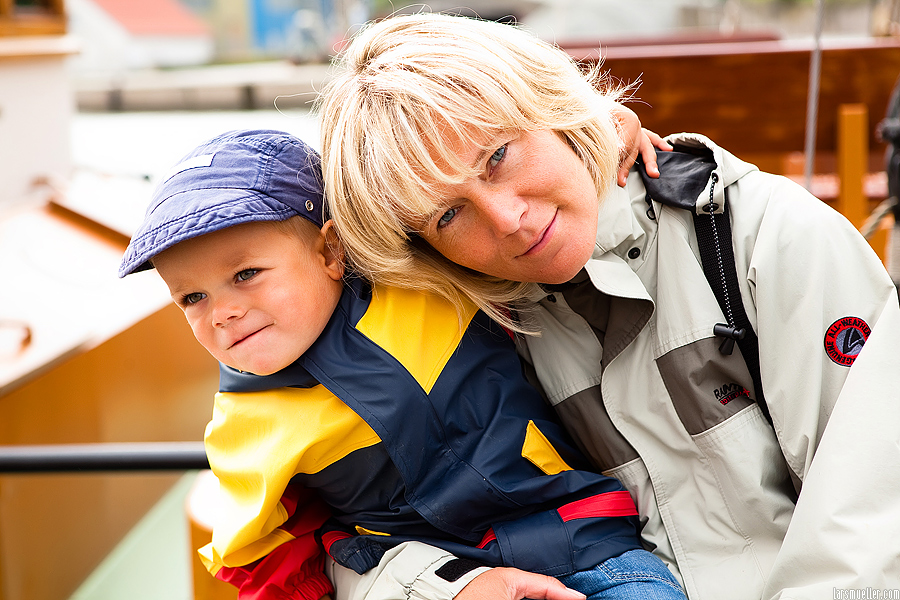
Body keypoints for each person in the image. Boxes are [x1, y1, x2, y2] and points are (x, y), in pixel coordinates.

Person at [315, 12, 900, 600]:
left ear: (551, 106)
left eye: (498, 157)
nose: (507, 218)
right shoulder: (464, 331)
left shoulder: (768, 239)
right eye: (448, 214)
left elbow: (871, 521)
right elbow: (353, 536)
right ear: (426, 252)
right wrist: (456, 588)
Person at [117, 129, 689, 600]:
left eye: (245, 275)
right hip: (438, 582)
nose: (223, 313)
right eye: (192, 298)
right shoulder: (244, 426)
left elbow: (469, 198)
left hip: (584, 544)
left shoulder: (419, 277)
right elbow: (265, 560)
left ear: (331, 250)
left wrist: (601, 130)